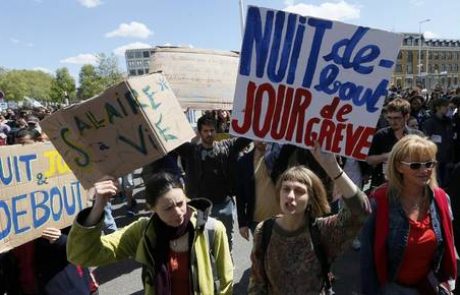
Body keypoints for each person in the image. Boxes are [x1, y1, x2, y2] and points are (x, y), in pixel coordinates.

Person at [67, 172, 233, 295]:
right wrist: (97, 208)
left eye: (181, 203)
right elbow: (82, 256)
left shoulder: (212, 229)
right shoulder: (143, 232)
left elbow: (226, 281)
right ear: (151, 208)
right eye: (168, 208)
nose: (178, 212)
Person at [248, 141, 370, 294]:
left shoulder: (323, 231)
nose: (290, 196)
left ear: (311, 198)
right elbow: (257, 283)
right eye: (286, 189)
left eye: (299, 191)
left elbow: (361, 211)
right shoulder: (264, 230)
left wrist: (334, 169)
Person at [361, 135, 456, 294]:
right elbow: (367, 260)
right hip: (392, 288)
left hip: (428, 286)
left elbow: (448, 244)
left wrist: (447, 283)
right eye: (415, 165)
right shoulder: (379, 201)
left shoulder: (441, 198)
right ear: (399, 167)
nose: (424, 170)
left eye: (429, 163)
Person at [175, 114, 250, 251]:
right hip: (200, 208)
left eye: (212, 130)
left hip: (224, 206)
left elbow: (248, 137)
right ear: (199, 132)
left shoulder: (227, 147)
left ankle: (227, 268)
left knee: (226, 242)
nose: (209, 134)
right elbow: (170, 141)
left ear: (216, 131)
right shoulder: (191, 151)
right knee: (201, 243)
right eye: (205, 131)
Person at [367, 98, 423, 189]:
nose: (393, 122)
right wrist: (388, 156)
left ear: (406, 116)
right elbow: (369, 160)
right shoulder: (381, 135)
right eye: (390, 118)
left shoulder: (417, 136)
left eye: (397, 118)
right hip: (384, 184)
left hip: (410, 184)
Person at [422, 98, 455, 187]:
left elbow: (451, 140)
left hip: (447, 159)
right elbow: (426, 140)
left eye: (448, 106)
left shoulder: (448, 122)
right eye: (445, 106)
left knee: (446, 184)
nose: (447, 108)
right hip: (435, 159)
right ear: (437, 107)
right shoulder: (429, 123)